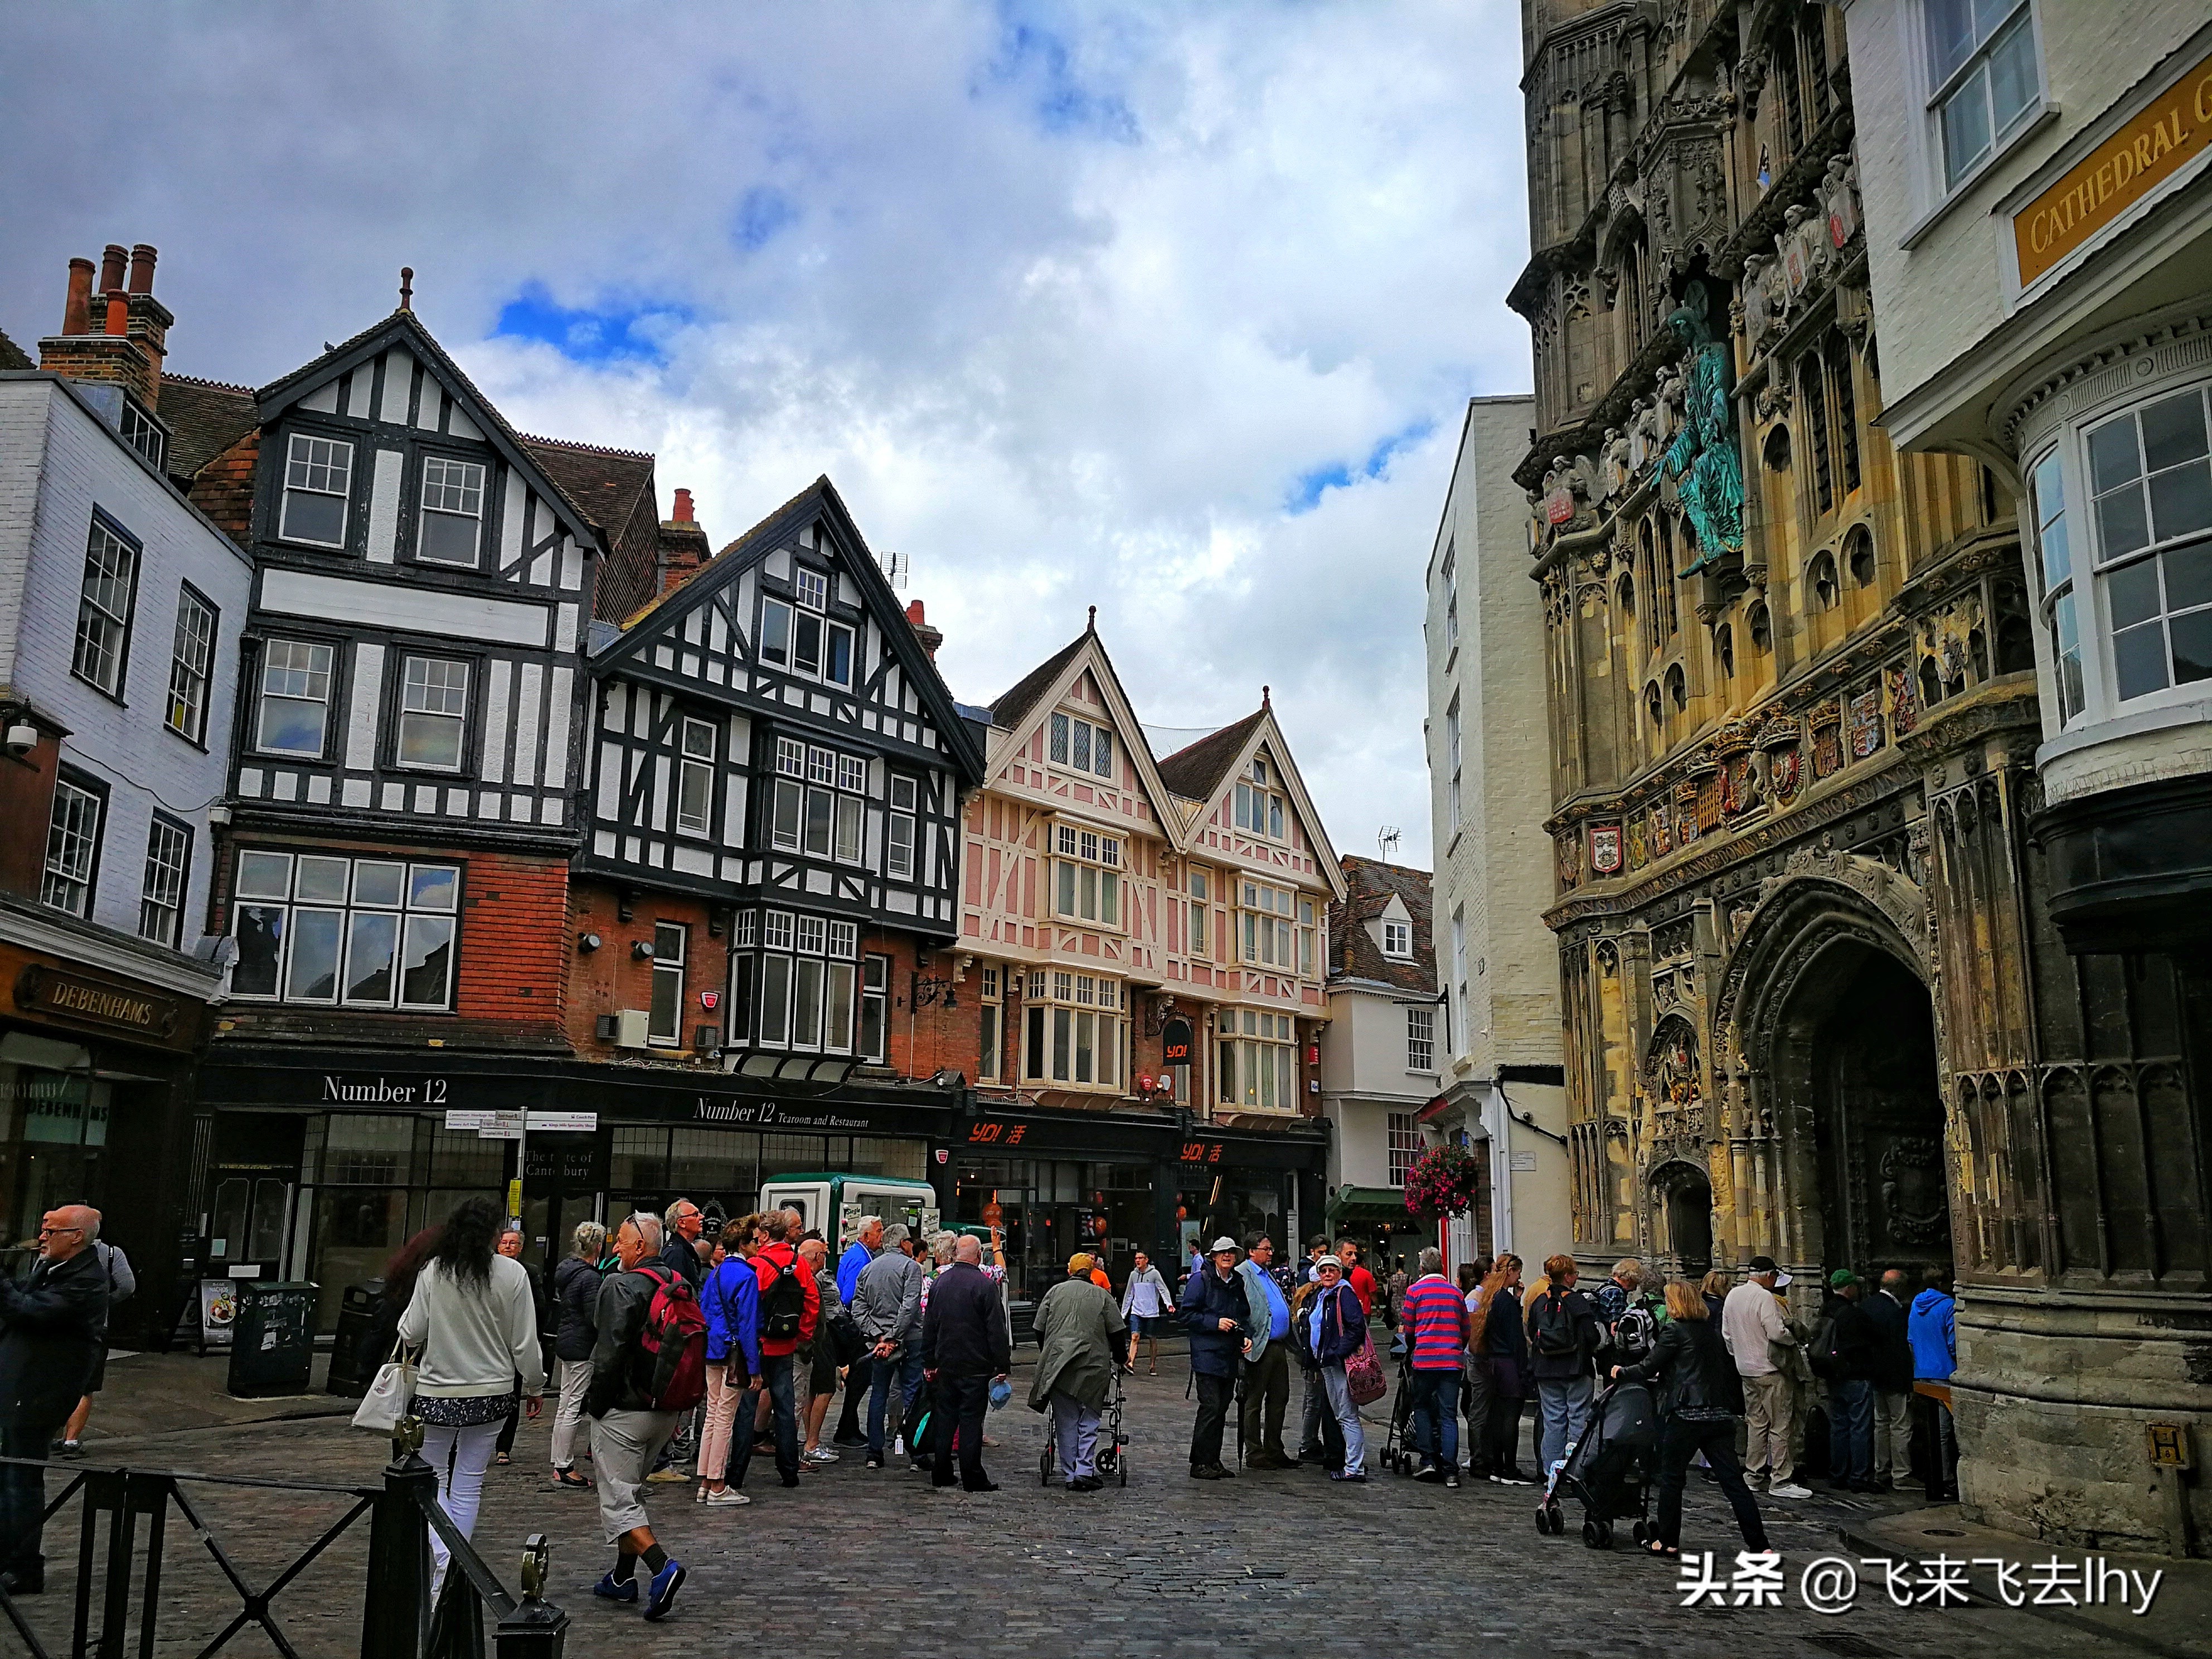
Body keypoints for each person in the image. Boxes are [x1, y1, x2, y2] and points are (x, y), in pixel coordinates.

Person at [395, 1196, 544, 1595]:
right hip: (493, 1393)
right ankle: (451, 1566)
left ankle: (446, 1561)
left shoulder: (434, 1272)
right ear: (493, 1235)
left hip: (437, 1390)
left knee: (435, 1480)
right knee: (469, 1483)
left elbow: (410, 1332)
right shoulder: (512, 1275)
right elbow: (525, 1342)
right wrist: (534, 1384)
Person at [1612, 1281, 1769, 1560]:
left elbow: (1649, 1366)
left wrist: (1620, 1372)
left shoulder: (1675, 1331)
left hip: (1686, 1413)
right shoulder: (1711, 1333)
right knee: (1734, 1483)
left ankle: (1667, 1540)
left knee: (1672, 1479)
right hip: (1718, 1415)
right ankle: (1759, 1544)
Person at [0, 1205, 109, 1594]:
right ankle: (9, 1557)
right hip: (18, 1388)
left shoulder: (87, 1280)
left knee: (22, 1482)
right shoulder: (54, 1268)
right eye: (43, 1229)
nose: (42, 1237)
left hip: (37, 1394)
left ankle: (24, 1566)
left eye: (51, 1231)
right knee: (8, 1478)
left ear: (76, 1236)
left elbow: (29, 1312)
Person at [584, 1213, 687, 1621]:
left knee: (619, 1499)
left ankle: (662, 1567)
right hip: (665, 1408)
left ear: (640, 1247)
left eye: (622, 1242)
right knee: (630, 1490)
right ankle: (622, 1577)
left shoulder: (620, 1284)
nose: (615, 1248)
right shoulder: (679, 1284)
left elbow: (608, 1352)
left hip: (624, 1410)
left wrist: (596, 1404)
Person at [1030, 1253, 1126, 1492]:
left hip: (1059, 1366)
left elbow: (1039, 1329)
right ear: (1092, 1271)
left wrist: (1049, 1353)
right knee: (1090, 1419)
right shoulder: (1103, 1296)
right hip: (1093, 1366)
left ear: (1069, 1271)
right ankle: (1084, 1468)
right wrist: (1121, 1358)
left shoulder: (1054, 1293)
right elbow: (1117, 1333)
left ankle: (1071, 1473)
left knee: (1066, 1421)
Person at [922, 1235, 1011, 1492]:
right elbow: (996, 1330)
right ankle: (972, 1476)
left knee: (945, 1420)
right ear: (979, 1256)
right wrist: (1002, 1364)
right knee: (971, 1421)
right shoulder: (984, 1286)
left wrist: (929, 1360)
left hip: (946, 1363)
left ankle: (941, 1472)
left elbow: (931, 1325)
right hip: (976, 1366)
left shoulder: (940, 1283)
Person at [1720, 1257, 1808, 1498]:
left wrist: (1740, 1355)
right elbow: (1776, 1332)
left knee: (1757, 1424)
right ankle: (1781, 1480)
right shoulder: (1764, 1297)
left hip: (1746, 1370)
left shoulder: (1733, 1295)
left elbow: (1727, 1334)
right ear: (1769, 1276)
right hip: (1770, 1369)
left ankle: (1753, 1475)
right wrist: (1794, 1339)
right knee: (1781, 1425)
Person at [751, 1210, 818, 1490]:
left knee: (747, 1409)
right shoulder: (799, 1263)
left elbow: (749, 1305)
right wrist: (801, 1334)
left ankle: (738, 1470)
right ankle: (789, 1471)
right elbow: (812, 1302)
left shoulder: (756, 1263)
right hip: (786, 1344)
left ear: (765, 1235)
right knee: (785, 1409)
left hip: (759, 1344)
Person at [1525, 1254, 1605, 1482]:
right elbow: (1592, 1335)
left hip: (1546, 1368)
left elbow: (1532, 1332)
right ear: (1569, 1276)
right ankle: (1575, 1472)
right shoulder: (1577, 1301)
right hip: (1575, 1368)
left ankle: (1551, 1472)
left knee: (1553, 1421)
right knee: (1578, 1418)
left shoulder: (1540, 1301)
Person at [54, 1233, 131, 1459]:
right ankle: (71, 1440)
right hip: (94, 1327)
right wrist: (105, 1302)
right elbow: (127, 1286)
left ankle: (50, 1436)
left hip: (57, 1325)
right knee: (85, 1386)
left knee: (56, 1381)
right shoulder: (111, 1254)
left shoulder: (57, 1250)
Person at [697, 1219, 758, 1507]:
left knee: (712, 1414)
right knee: (724, 1418)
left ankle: (706, 1481)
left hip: (712, 1347)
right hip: (733, 1351)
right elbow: (748, 1325)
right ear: (745, 1244)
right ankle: (719, 1485)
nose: (758, 1245)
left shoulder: (716, 1272)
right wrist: (755, 1368)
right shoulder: (746, 1276)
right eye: (755, 1241)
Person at [853, 1224, 924, 1468]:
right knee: (913, 1393)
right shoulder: (911, 1267)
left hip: (879, 1341)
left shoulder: (868, 1269)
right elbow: (910, 1305)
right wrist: (894, 1336)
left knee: (879, 1393)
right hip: (910, 1338)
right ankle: (917, 1453)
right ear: (904, 1243)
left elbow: (858, 1309)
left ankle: (875, 1452)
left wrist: (879, 1335)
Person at [1400, 1247, 1469, 1487]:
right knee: (1449, 1414)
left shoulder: (1415, 1292)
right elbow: (1465, 1328)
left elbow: (1409, 1328)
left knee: (1422, 1408)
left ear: (1421, 1268)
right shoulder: (1455, 1293)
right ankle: (1451, 1469)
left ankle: (1428, 1460)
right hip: (1451, 1361)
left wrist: (1413, 1345)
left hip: (1425, 1360)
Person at [1181, 1238, 1245, 1480]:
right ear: (1214, 1257)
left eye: (1231, 1252)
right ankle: (1199, 1462)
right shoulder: (1201, 1280)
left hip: (1229, 1354)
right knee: (1211, 1406)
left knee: (1222, 1408)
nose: (1227, 1256)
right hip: (1207, 1354)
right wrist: (1214, 1323)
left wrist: (1244, 1335)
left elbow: (1243, 1313)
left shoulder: (1236, 1282)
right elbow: (1187, 1315)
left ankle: (1213, 1460)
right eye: (1222, 1253)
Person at [550, 1221, 608, 1490]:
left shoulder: (566, 1271)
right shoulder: (590, 1277)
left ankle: (558, 1459)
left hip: (567, 1341)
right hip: (583, 1346)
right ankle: (563, 1465)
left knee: (565, 1403)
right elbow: (595, 1316)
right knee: (573, 1405)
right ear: (598, 1246)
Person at [1305, 1254, 1369, 1482]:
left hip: (1340, 1364)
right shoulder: (1323, 1296)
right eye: (1324, 1271)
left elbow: (1356, 1328)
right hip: (1326, 1364)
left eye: (1332, 1270)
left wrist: (1337, 1352)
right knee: (1340, 1414)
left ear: (1340, 1272)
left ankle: (1354, 1467)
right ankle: (1351, 1463)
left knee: (1348, 1415)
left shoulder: (1345, 1294)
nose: (1328, 1274)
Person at [1236, 1234, 1296, 1468]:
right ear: (1252, 1251)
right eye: (1266, 1249)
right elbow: (1241, 1308)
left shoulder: (1267, 1273)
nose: (1271, 1253)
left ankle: (1274, 1448)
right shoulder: (1243, 1273)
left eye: (1271, 1249)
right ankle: (1255, 1452)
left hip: (1278, 1345)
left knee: (1280, 1397)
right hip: (1259, 1345)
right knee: (1253, 1401)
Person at [1817, 1269, 1879, 1492]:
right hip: (1856, 1375)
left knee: (1839, 1427)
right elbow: (1873, 1338)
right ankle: (1859, 1477)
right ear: (1849, 1288)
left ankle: (1838, 1474)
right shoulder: (1854, 1314)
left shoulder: (1826, 1310)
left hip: (1833, 1376)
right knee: (1860, 1428)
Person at [1471, 1255, 1530, 1483]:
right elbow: (1515, 1337)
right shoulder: (1503, 1299)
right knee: (1510, 1417)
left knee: (1498, 1416)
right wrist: (1524, 1367)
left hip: (1494, 1361)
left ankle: (1497, 1464)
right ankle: (1509, 1467)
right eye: (1518, 1273)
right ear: (1511, 1271)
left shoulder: (1493, 1297)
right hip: (1508, 1362)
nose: (1519, 1278)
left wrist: (1517, 1300)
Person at [492, 1226, 544, 1467]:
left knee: (511, 1396)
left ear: (521, 1248)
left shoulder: (527, 1273)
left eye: (513, 1243)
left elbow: (538, 1307)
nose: (508, 1246)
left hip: (514, 1342)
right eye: (504, 1242)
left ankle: (504, 1447)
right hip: (491, 1342)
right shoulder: (486, 1271)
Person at [831, 1217, 884, 1449]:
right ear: (866, 1237)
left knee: (860, 1378)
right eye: (879, 1232)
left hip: (852, 1324)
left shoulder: (857, 1254)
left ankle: (849, 1427)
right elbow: (851, 1296)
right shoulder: (860, 1259)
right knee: (859, 1378)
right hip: (855, 1328)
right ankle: (846, 1429)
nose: (881, 1236)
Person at [1909, 1269, 1958, 1501]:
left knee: (1930, 1429)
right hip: (1944, 1373)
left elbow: (1910, 1339)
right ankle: (1947, 1479)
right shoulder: (1948, 1305)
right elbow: (1953, 1342)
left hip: (1922, 1372)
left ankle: (1932, 1475)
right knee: (1945, 1432)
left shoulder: (1916, 1305)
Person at [1867, 1267, 1916, 1493]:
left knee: (1881, 1425)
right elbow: (1901, 1349)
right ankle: (1902, 1475)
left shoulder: (1867, 1305)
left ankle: (1881, 1471)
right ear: (1900, 1288)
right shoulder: (1896, 1312)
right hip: (1896, 1377)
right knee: (1900, 1426)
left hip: (1875, 1375)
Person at [797, 1236, 844, 1466]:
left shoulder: (798, 1273)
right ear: (817, 1257)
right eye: (824, 1253)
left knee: (810, 1390)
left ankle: (810, 1439)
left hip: (807, 1341)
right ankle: (812, 1443)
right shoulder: (811, 1279)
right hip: (816, 1339)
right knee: (825, 1389)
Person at [1119, 1249, 1173, 1374]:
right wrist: (1123, 1313)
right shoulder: (1133, 1275)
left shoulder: (1154, 1274)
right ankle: (1131, 1363)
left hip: (1151, 1312)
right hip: (1136, 1311)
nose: (1137, 1261)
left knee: (1152, 1338)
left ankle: (1153, 1364)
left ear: (1146, 1260)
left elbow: (1163, 1290)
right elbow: (1129, 1294)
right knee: (1135, 1336)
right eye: (1136, 1259)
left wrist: (1169, 1304)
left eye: (1140, 1258)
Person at [1333, 1239, 1379, 1318]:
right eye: (1349, 1254)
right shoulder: (1334, 1279)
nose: (1354, 1258)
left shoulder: (1347, 1276)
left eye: (1355, 1254)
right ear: (1338, 1256)